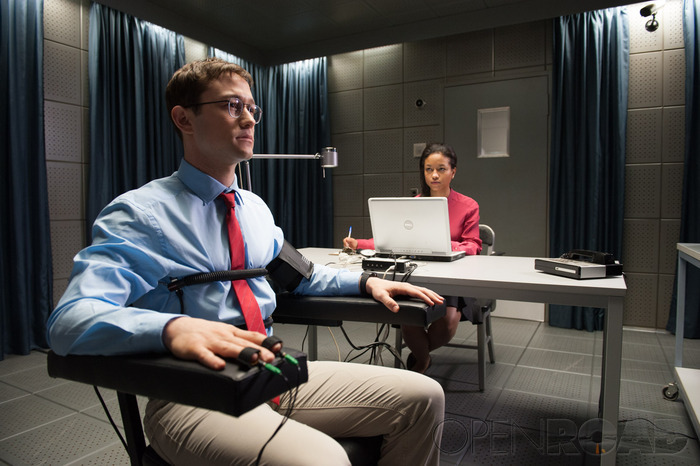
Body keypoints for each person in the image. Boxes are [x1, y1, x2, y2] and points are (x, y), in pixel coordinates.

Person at [47, 58, 446, 466]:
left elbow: (302, 275)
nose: (249, 119)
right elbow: (69, 320)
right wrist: (171, 329)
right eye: (232, 106)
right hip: (191, 393)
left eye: (252, 108)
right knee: (323, 461)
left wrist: (365, 282)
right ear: (184, 119)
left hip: (270, 372)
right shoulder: (140, 214)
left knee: (424, 397)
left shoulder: (254, 210)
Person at [344, 143, 482, 374]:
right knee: (408, 315)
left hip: (453, 275)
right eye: (429, 169)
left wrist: (444, 244)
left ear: (453, 171)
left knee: (448, 323)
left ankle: (419, 357)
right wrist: (359, 244)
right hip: (418, 272)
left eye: (441, 169)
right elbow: (392, 240)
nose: (434, 175)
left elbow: (474, 246)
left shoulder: (468, 206)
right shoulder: (414, 204)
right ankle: (423, 361)